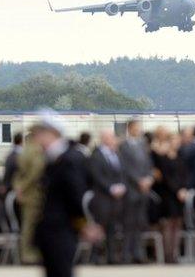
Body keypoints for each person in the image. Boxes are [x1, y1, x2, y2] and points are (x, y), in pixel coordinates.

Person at [34, 112, 102, 277]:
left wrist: (84, 224)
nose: (37, 138)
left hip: (61, 229)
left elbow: (76, 196)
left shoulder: (69, 159)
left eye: (40, 133)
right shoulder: (53, 158)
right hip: (51, 230)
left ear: (52, 133)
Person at [88, 129, 126, 264]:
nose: (113, 140)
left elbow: (122, 172)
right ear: (103, 138)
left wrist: (121, 186)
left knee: (112, 227)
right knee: (100, 226)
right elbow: (97, 175)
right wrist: (110, 188)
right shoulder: (96, 155)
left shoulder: (116, 154)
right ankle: (95, 256)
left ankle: (111, 256)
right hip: (102, 197)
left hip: (116, 198)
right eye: (110, 137)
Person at [118, 119, 153, 264]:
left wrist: (149, 178)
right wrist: (138, 180)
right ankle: (126, 254)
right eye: (137, 127)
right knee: (129, 222)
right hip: (131, 189)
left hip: (143, 190)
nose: (139, 130)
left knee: (140, 222)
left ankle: (138, 253)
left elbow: (148, 164)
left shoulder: (143, 145)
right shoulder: (124, 146)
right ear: (130, 128)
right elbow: (125, 167)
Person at [151, 126, 187, 263]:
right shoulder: (163, 158)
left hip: (180, 195)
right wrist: (177, 190)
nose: (177, 143)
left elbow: (184, 175)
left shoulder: (180, 157)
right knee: (168, 224)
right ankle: (167, 255)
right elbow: (165, 177)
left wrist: (184, 188)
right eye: (174, 140)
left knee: (178, 223)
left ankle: (175, 253)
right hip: (168, 194)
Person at [13, 129, 47, 264]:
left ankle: (27, 253)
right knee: (31, 226)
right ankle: (28, 254)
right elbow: (36, 171)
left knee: (27, 225)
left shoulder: (23, 153)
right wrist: (23, 187)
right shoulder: (35, 152)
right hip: (34, 194)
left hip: (27, 194)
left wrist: (18, 188)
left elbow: (18, 174)